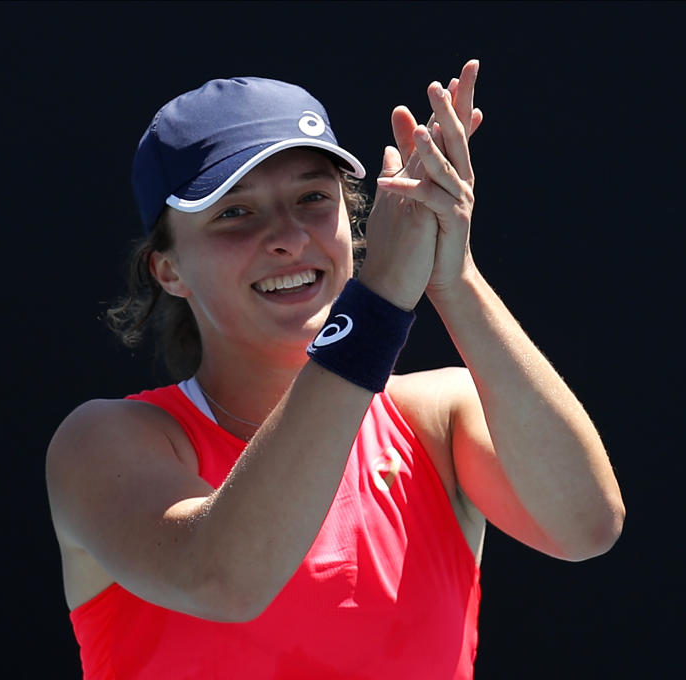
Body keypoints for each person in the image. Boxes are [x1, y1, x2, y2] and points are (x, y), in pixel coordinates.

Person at [46, 61, 624, 679]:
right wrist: (375, 306)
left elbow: (585, 527)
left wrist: (453, 278)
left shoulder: (440, 416)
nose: (289, 238)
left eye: (312, 199)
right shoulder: (104, 442)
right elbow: (225, 580)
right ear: (169, 271)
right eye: (234, 213)